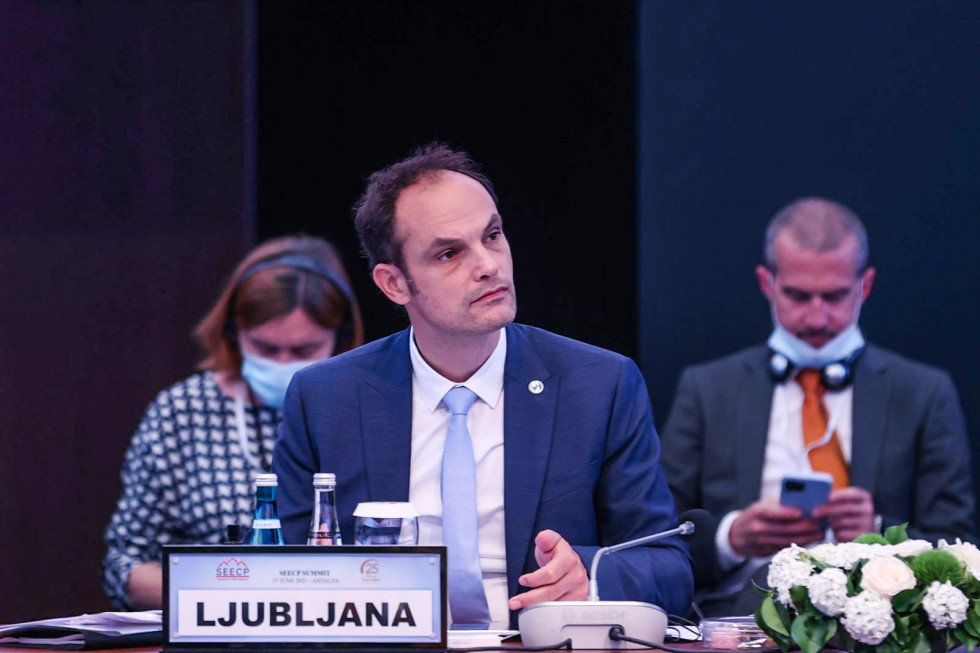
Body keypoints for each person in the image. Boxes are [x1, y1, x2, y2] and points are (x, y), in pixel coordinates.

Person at [272, 143, 692, 629]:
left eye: (492, 236)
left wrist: (590, 575)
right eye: (450, 253)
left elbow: (668, 565)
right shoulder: (325, 398)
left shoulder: (599, 385)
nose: (489, 264)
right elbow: (284, 572)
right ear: (394, 284)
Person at [660, 197, 976, 616]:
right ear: (765, 282)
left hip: (877, 630)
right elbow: (656, 534)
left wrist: (879, 534)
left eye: (834, 295)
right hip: (732, 621)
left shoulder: (923, 392)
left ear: (865, 285)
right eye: (797, 295)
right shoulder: (706, 388)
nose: (816, 317)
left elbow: (958, 549)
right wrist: (731, 536)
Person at [102, 235, 365, 609]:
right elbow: (123, 567)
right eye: (265, 348)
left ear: (340, 341)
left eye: (303, 351)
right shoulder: (183, 411)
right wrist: (226, 591)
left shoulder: (362, 409)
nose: (283, 362)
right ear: (231, 332)